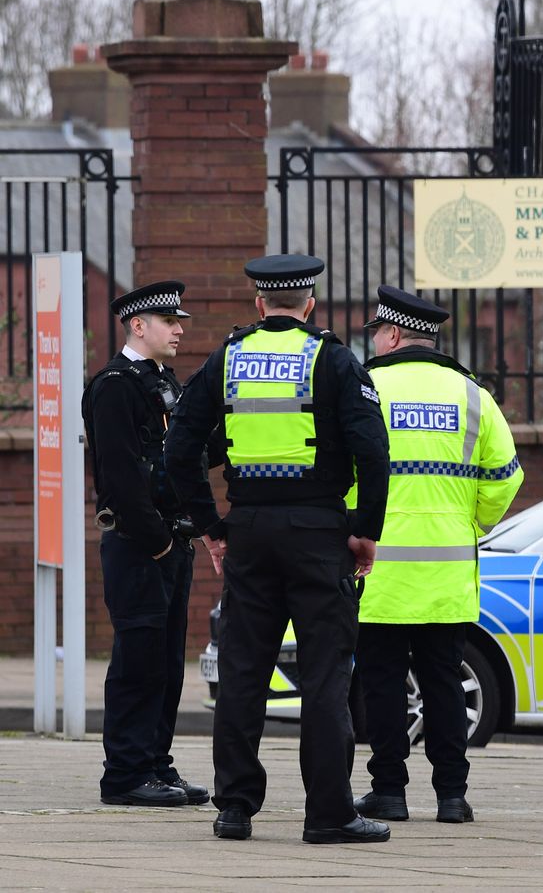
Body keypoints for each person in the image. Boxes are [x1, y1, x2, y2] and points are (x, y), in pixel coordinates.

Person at [163, 254, 392, 844]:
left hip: (251, 532)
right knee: (324, 677)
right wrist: (365, 530)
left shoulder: (227, 360)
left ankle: (234, 807)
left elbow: (180, 446)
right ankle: (330, 814)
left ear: (260, 304)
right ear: (309, 304)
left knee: (242, 673)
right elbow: (373, 451)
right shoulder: (335, 360)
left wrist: (211, 525)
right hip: (320, 535)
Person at [351, 286, 523, 825]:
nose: (373, 343)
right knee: (444, 682)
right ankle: (452, 795)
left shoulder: (367, 388)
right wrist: (472, 520)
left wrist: (355, 523)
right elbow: (506, 477)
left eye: (377, 333)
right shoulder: (473, 396)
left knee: (381, 684)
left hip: (378, 571)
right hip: (447, 572)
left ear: (395, 334)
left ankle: (390, 793)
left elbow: (340, 471)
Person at [81, 280, 208, 807]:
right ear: (139, 325)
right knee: (138, 659)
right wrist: (157, 541)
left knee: (165, 660)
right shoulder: (114, 385)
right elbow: (120, 475)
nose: (179, 329)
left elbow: (180, 458)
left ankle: (157, 763)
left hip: (170, 542)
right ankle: (126, 775)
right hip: (139, 544)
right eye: (169, 321)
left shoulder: (163, 382)